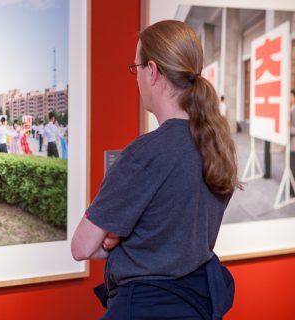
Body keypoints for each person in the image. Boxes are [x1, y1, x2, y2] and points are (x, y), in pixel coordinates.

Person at [71, 20, 239, 319]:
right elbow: (175, 232)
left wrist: (117, 237)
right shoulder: (215, 144)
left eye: (135, 68)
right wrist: (129, 237)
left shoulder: (146, 152)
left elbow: (82, 246)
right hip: (198, 304)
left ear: (152, 71)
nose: (135, 78)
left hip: (146, 307)